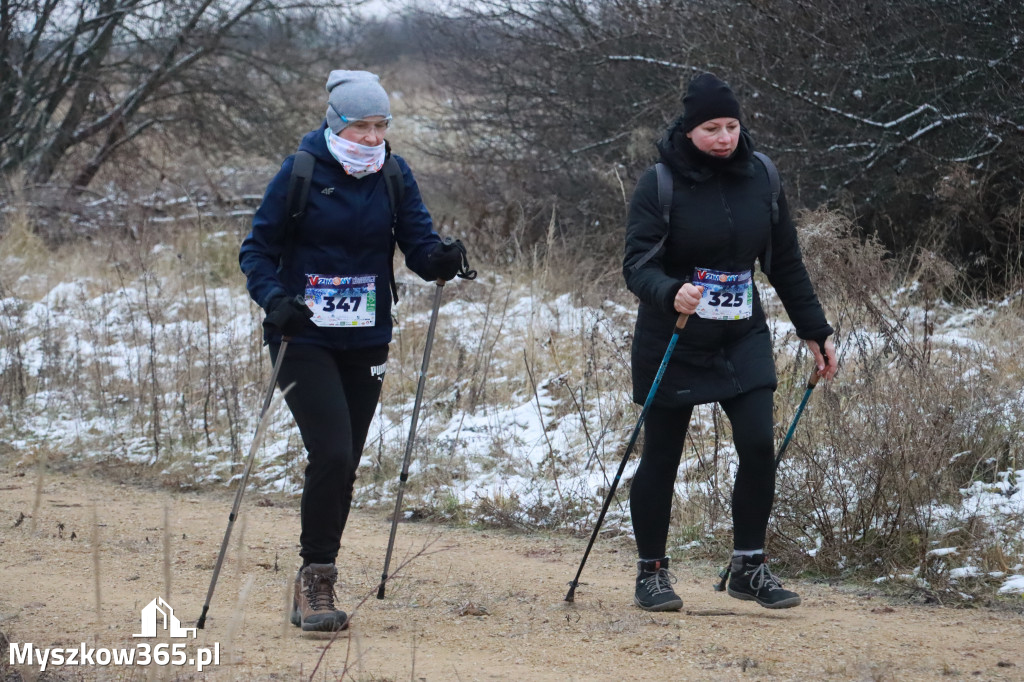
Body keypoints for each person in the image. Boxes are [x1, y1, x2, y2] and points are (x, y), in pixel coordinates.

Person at [239, 70, 468, 632]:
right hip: (302, 335)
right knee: (333, 452)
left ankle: (315, 573)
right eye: (362, 126)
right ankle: (317, 578)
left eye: (381, 126)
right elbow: (256, 252)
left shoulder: (393, 173)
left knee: (345, 465)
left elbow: (416, 244)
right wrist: (275, 300)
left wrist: (439, 259)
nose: (372, 137)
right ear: (336, 123)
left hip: (366, 335)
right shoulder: (299, 173)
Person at [622, 73, 838, 612]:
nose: (724, 138)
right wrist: (671, 291)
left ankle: (749, 567)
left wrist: (815, 330)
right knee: (663, 457)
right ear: (690, 131)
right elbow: (637, 265)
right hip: (674, 333)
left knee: (759, 445)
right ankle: (651, 572)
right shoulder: (660, 183)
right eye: (711, 128)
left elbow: (784, 260)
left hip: (740, 332)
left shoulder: (761, 176)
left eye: (732, 126)